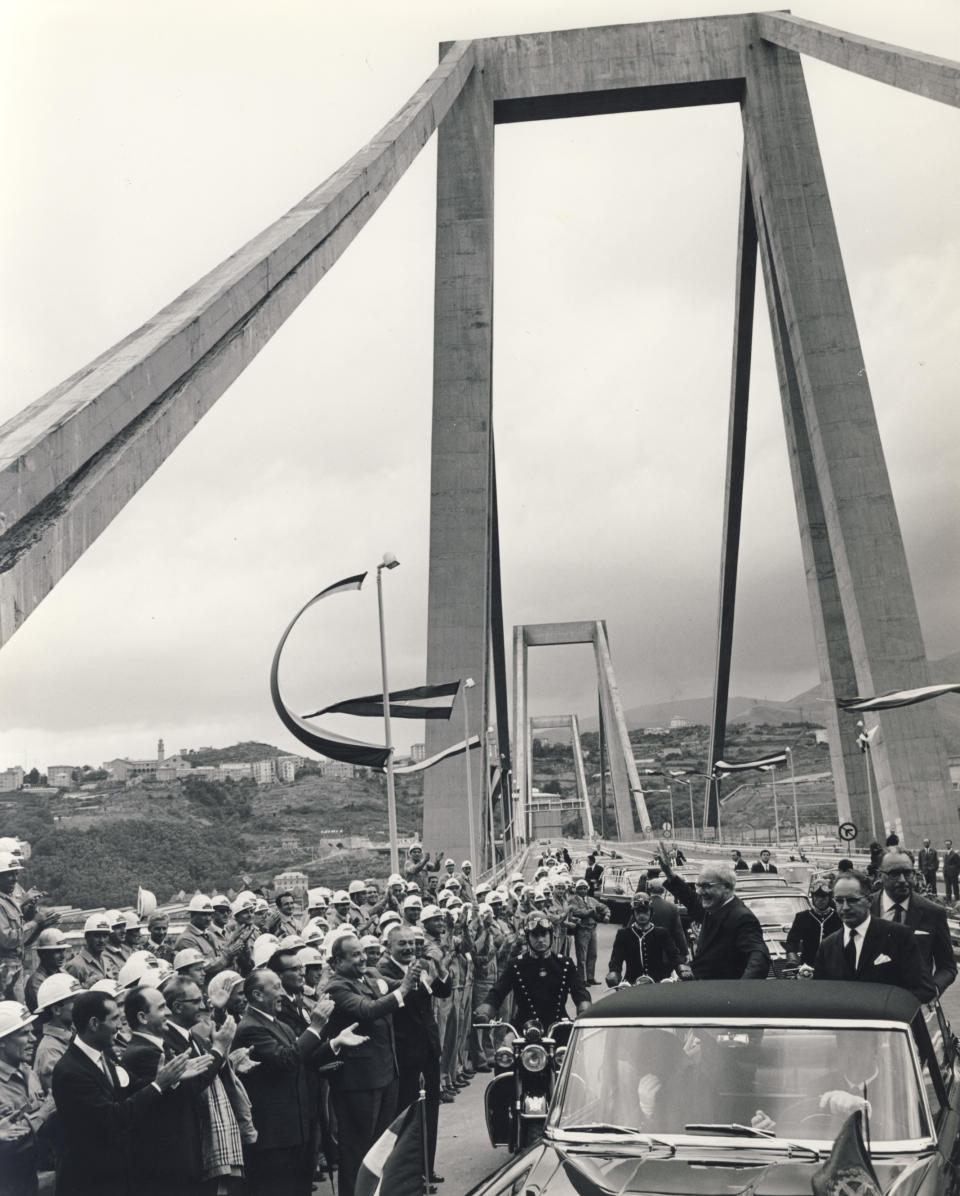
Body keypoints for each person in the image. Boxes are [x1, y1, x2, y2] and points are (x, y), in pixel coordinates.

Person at [51, 989, 196, 1196]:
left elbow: (131, 1087)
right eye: (114, 1019)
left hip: (117, 1177)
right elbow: (112, 1118)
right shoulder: (70, 1071)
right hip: (92, 1183)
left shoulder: (105, 1054)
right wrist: (159, 1085)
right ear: (94, 1024)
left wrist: (168, 1077)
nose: (120, 1026)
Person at [235, 968, 362, 1196]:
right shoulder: (250, 1028)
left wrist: (335, 1043)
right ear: (257, 995)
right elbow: (286, 1060)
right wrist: (315, 1027)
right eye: (276, 987)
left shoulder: (279, 1025)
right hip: (274, 1136)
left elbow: (304, 1057)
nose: (283, 993)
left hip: (297, 1130)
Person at [324, 934, 420, 1196]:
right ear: (337, 961)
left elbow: (397, 986)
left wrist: (413, 978)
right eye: (355, 955)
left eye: (363, 952)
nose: (363, 958)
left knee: (380, 1148)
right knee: (357, 1152)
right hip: (359, 1081)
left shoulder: (367, 976)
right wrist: (403, 989)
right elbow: (366, 1009)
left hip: (385, 1073)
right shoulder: (337, 987)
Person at [121, 981, 233, 1196]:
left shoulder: (157, 1045)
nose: (169, 1012)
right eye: (161, 1008)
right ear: (143, 1018)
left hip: (180, 1154)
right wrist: (219, 1049)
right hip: (167, 1161)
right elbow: (187, 1090)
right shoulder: (143, 1052)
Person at [378, 924, 450, 1186]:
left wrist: (441, 970)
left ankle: (426, 1170)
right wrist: (415, 981)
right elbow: (401, 999)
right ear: (389, 947)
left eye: (411, 943)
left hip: (428, 1051)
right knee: (409, 1117)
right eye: (402, 944)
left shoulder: (420, 964)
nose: (409, 948)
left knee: (429, 1112)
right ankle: (409, 1176)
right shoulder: (383, 971)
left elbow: (442, 992)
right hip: (405, 1057)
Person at [812, 871, 937, 1003]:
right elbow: (820, 996)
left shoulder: (899, 936)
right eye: (838, 901)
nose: (845, 907)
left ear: (869, 901)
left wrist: (883, 1006)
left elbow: (924, 989)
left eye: (852, 900)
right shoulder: (827, 946)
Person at [658, 842, 769, 980]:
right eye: (699, 886)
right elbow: (691, 898)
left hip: (721, 995)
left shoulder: (741, 917)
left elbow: (758, 956)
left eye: (706, 886)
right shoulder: (715, 908)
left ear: (727, 887)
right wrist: (669, 873)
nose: (700, 892)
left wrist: (742, 991)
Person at [476, 912, 591, 1030]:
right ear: (527, 937)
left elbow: (580, 991)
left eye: (544, 934)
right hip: (523, 1028)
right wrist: (485, 1011)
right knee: (506, 1047)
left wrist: (584, 1010)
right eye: (535, 935)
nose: (540, 939)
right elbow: (498, 991)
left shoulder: (565, 964)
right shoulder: (516, 964)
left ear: (550, 935)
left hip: (558, 1028)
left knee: (573, 1048)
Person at [870, 850, 955, 995]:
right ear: (880, 875)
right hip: (871, 1003)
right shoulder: (864, 908)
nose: (903, 880)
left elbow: (947, 967)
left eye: (908, 873)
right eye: (894, 874)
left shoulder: (933, 913)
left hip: (915, 1004)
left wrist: (932, 990)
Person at [0, 1000, 55, 1196]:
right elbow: (9, 1141)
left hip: (30, 1178)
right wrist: (45, 1112)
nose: (33, 1039)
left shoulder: (26, 1071)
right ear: (3, 1041)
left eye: (32, 1032)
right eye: (24, 1034)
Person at [0, 852, 58, 1002]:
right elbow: (8, 940)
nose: (15, 879)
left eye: (16, 874)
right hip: (4, 975)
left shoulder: (8, 901)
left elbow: (23, 942)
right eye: (10, 874)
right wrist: (35, 922)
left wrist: (37, 922)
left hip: (13, 971)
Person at [606, 892, 681, 985]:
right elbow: (616, 959)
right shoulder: (624, 934)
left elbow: (674, 955)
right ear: (633, 913)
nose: (642, 915)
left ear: (651, 912)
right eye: (638, 912)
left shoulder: (661, 933)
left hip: (658, 981)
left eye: (645, 911)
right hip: (632, 982)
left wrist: (681, 968)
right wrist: (614, 973)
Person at [32, 973, 84, 1092]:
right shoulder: (49, 1050)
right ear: (56, 1010)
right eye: (74, 1002)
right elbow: (61, 1093)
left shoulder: (74, 1033)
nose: (80, 1006)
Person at [784, 876, 842, 968]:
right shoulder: (802, 917)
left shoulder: (839, 918)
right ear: (812, 897)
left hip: (834, 966)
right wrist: (792, 956)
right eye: (816, 896)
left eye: (823, 896)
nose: (820, 900)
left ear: (829, 897)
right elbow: (792, 941)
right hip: (807, 966)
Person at [566, 878, 610, 985]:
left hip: (592, 929)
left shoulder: (591, 900)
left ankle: (590, 977)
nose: (583, 891)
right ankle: (582, 979)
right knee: (582, 956)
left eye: (585, 888)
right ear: (576, 890)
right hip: (582, 930)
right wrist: (592, 911)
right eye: (580, 889)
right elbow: (578, 912)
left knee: (593, 954)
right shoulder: (573, 901)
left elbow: (604, 907)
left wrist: (607, 915)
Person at [65, 914, 119, 987]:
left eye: (105, 936)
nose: (102, 940)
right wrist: (85, 986)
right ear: (87, 936)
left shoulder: (107, 961)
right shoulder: (75, 966)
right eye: (97, 936)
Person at [24, 927, 69, 1013]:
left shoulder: (63, 974)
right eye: (57, 951)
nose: (63, 956)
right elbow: (52, 1011)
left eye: (63, 950)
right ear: (43, 954)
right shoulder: (36, 982)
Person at [645, 878, 689, 962]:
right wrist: (684, 952)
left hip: (644, 952)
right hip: (665, 954)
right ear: (663, 890)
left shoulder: (643, 905)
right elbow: (678, 932)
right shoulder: (672, 907)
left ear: (649, 889)